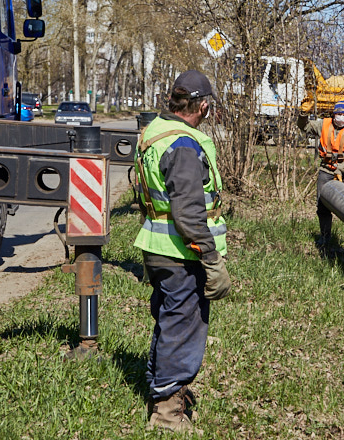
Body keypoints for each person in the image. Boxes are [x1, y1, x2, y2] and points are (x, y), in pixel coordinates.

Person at [134, 69, 231, 431]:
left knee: (168, 321)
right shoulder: (184, 145)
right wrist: (211, 258)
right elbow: (189, 213)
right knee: (183, 327)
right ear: (203, 106)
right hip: (181, 253)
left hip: (157, 247)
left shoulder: (155, 132)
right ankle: (168, 413)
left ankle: (162, 390)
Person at [298, 101, 344, 253]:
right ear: (333, 115)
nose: (341, 118)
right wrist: (303, 114)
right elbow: (305, 126)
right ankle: (325, 238)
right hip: (326, 170)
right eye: (338, 114)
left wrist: (341, 169)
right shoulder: (323, 124)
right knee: (322, 206)